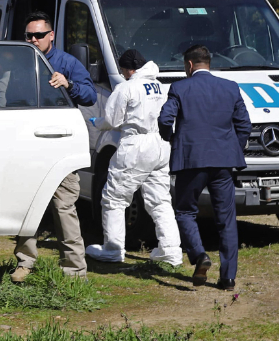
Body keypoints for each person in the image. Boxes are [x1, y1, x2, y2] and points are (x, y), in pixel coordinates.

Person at [12, 11, 97, 282]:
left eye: (38, 35)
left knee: (64, 207)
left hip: (61, 146)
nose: (33, 40)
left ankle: (75, 271)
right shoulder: (21, 63)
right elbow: (11, 100)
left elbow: (90, 96)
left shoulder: (68, 62)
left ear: (51, 35)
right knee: (27, 205)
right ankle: (25, 263)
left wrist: (68, 84)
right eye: (29, 36)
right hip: (29, 144)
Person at [158, 45, 251, 291]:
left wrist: (172, 139)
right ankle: (228, 278)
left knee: (185, 211)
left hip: (191, 160)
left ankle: (199, 255)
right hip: (223, 162)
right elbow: (244, 125)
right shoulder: (230, 87)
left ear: (189, 65)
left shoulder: (179, 88)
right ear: (208, 63)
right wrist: (232, 148)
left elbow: (165, 119)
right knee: (226, 219)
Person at [85, 49, 181, 266]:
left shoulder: (126, 87)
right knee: (160, 200)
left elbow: (112, 120)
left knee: (114, 199)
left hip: (136, 145)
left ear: (127, 69)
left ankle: (113, 249)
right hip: (160, 144)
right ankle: (171, 251)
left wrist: (96, 123)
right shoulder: (159, 86)